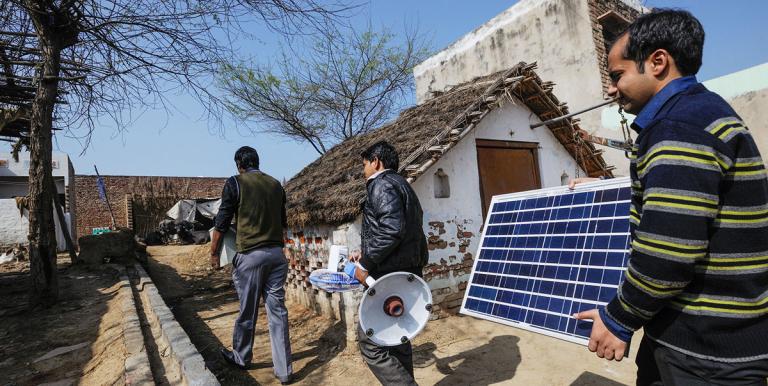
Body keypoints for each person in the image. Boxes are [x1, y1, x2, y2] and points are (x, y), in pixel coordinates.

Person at [571, 9, 768, 385]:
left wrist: (619, 317)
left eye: (617, 76)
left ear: (658, 62)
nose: (612, 89)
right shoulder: (701, 115)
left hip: (706, 355)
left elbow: (669, 249)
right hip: (705, 342)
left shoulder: (680, 125)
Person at [347, 140, 428, 385]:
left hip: (389, 275)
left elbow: (392, 229)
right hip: (408, 271)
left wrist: (366, 263)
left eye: (364, 164)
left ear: (376, 162)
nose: (364, 171)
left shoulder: (380, 184)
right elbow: (399, 230)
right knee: (398, 335)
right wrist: (366, 251)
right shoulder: (403, 184)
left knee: (371, 343)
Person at [210, 146, 293, 384]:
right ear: (258, 162)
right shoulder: (276, 185)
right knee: (278, 313)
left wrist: (214, 253)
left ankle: (242, 357)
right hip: (277, 255)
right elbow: (283, 222)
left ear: (239, 164)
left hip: (251, 257)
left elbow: (222, 222)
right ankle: (285, 371)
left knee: (248, 311)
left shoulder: (235, 183)